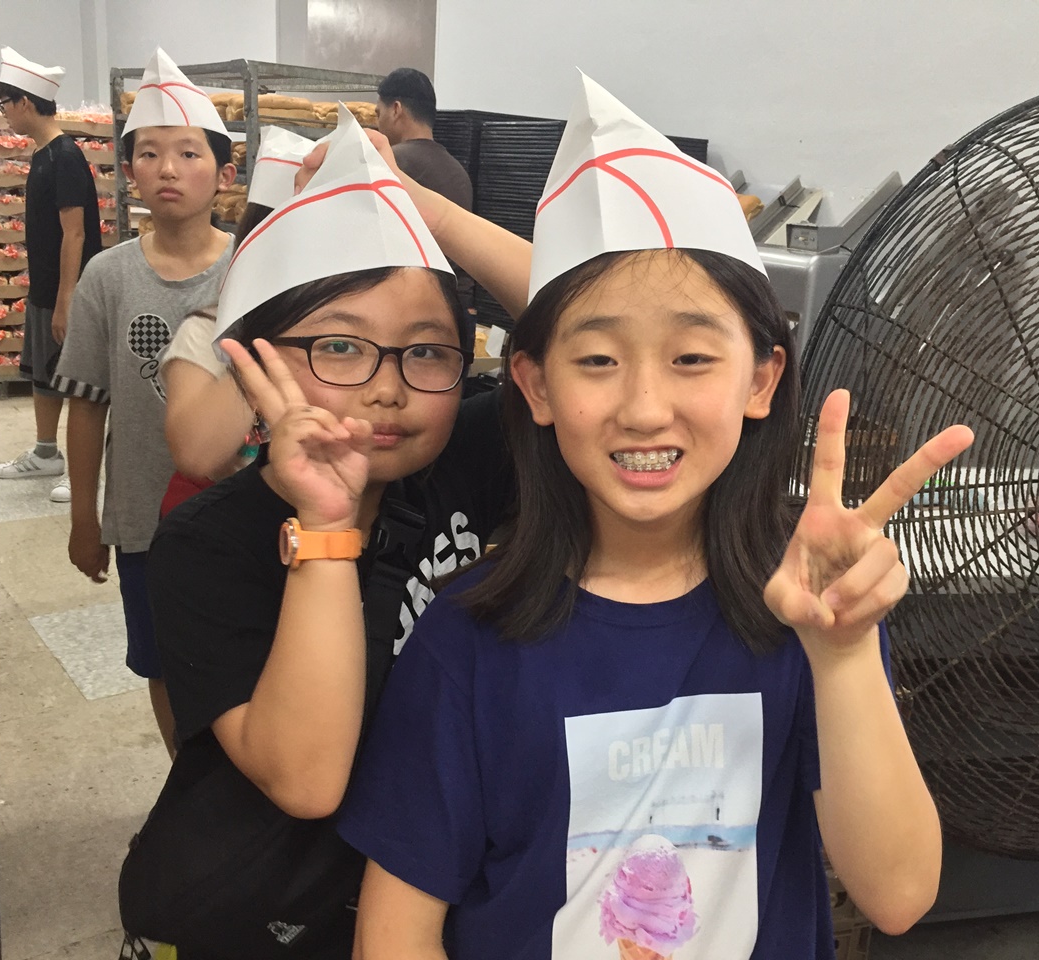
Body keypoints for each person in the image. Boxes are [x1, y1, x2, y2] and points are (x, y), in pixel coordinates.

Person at [336, 76, 971, 959]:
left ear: (761, 380)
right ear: (535, 386)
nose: (643, 408)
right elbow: (395, 935)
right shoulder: (467, 640)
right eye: (597, 359)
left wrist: (843, 653)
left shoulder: (807, 612)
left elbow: (897, 896)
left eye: (691, 358)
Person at [124, 106, 527, 960]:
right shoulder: (207, 545)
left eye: (428, 352)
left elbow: (593, 320)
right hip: (265, 916)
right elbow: (306, 781)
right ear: (257, 366)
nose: (388, 387)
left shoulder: (461, 459)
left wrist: (423, 204)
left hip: (425, 892)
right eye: (340, 347)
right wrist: (327, 526)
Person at [52, 48, 236, 757]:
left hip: (245, 501)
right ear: (128, 171)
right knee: (162, 659)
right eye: (149, 154)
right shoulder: (107, 277)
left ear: (223, 173)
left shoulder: (251, 267)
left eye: (188, 153)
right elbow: (88, 402)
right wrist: (85, 516)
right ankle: (187, 783)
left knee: (241, 646)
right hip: (143, 515)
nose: (167, 169)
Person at [158, 125, 321, 503]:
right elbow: (195, 455)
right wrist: (269, 328)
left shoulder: (352, 337)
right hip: (236, 517)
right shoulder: (210, 333)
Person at [0, 47, 102, 502]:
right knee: (42, 374)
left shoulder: (65, 156)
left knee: (76, 379)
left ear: (25, 102)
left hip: (66, 290)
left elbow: (75, 233)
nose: (3, 113)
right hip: (44, 288)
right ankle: (45, 452)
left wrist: (66, 300)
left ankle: (82, 469)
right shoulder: (42, 154)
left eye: (5, 103)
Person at [376, 68, 472, 212]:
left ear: (396, 109)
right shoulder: (459, 174)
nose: (377, 124)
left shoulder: (389, 163)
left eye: (378, 114)